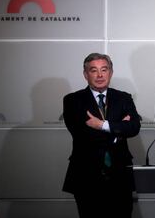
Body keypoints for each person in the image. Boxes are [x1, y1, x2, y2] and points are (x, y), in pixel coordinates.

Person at [62, 53, 141, 218]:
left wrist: (102, 125)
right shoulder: (72, 100)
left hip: (120, 176)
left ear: (111, 73)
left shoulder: (124, 98)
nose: (99, 75)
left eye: (104, 70)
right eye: (94, 70)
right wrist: (119, 129)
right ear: (85, 74)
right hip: (86, 176)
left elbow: (133, 128)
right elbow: (82, 134)